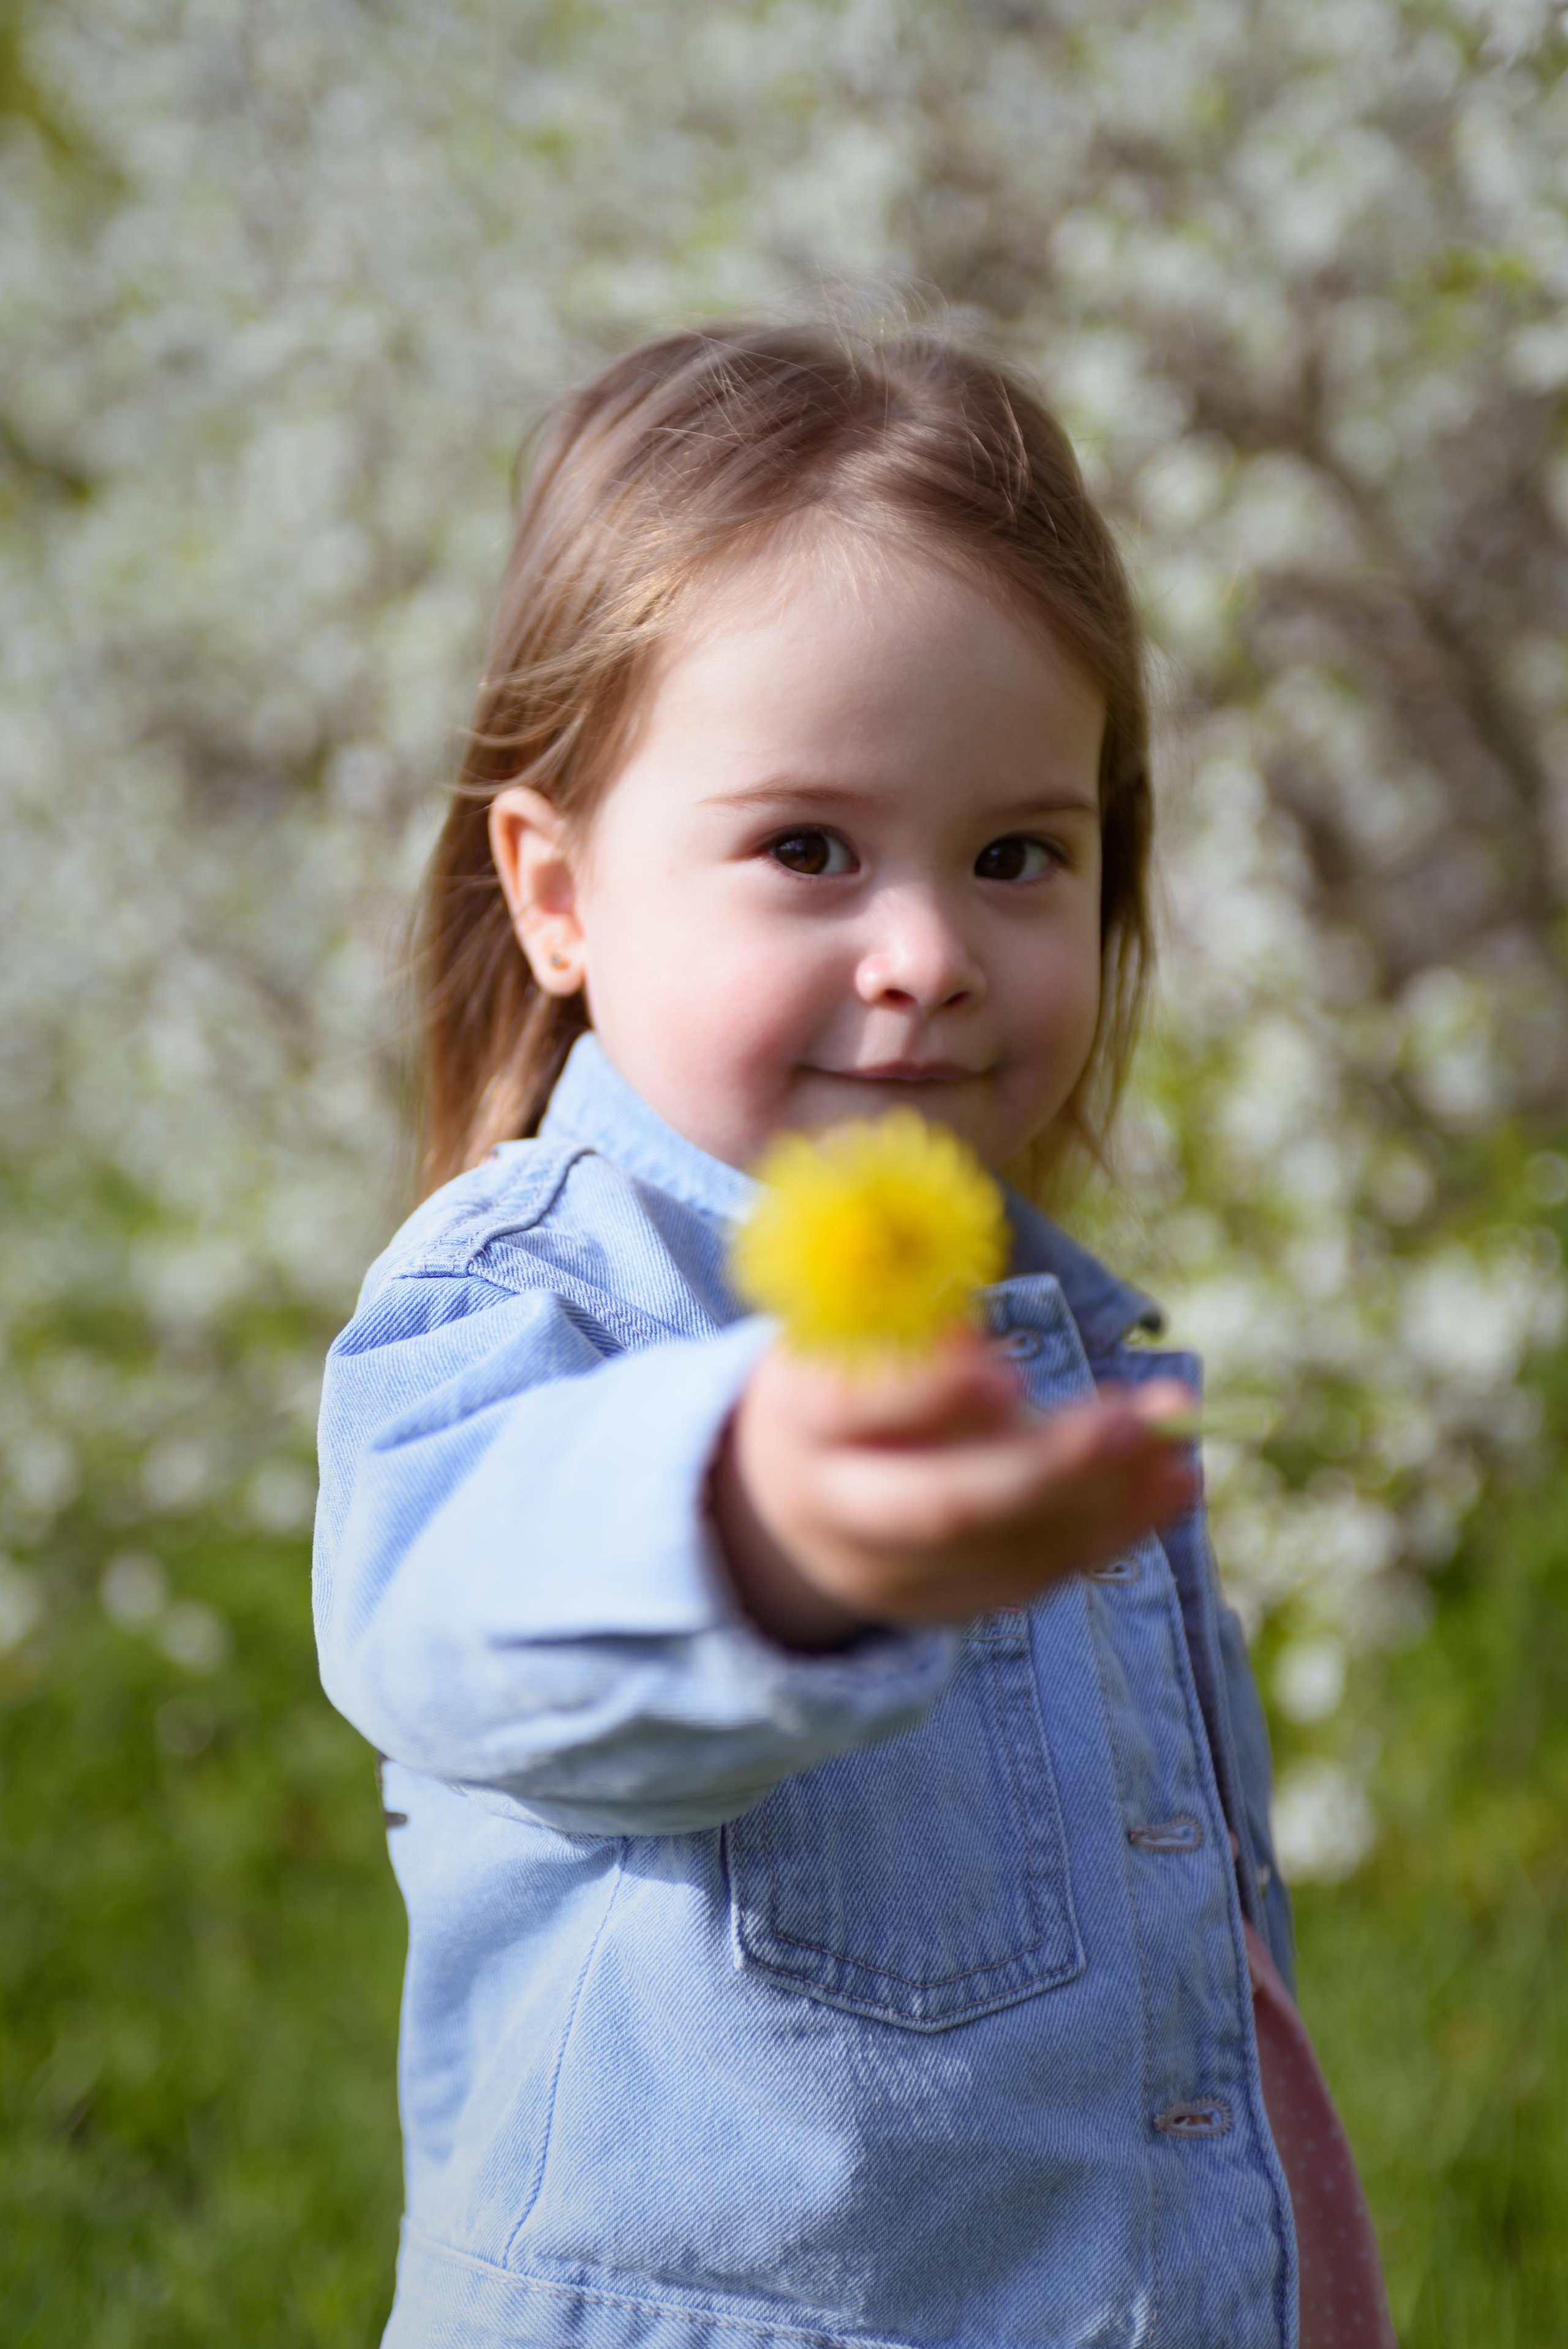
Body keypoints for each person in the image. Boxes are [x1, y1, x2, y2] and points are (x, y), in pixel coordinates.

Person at [314, 323, 1395, 2349]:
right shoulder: (534, 1296)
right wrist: (758, 1527)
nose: (926, 956)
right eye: (808, 848)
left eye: (1017, 857)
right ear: (557, 893)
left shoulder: (1055, 1336)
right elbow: (458, 1610)